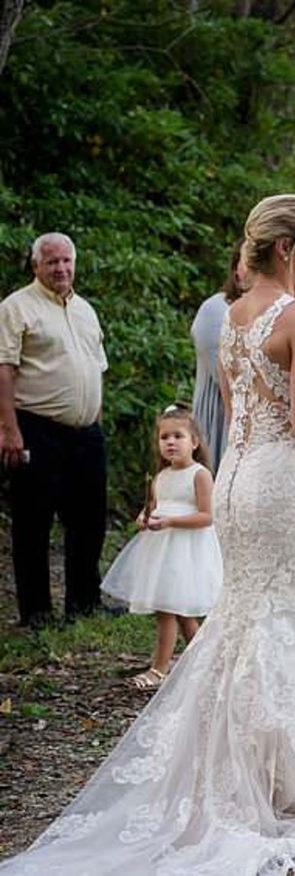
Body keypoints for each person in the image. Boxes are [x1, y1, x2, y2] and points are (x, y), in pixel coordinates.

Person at [0, 195, 295, 875]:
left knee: (248, 616)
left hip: (239, 480)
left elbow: (247, 403)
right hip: (284, 485)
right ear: (286, 248)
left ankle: (250, 770)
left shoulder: (233, 319)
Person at [0, 233, 108, 629]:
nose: (61, 269)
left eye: (66, 261)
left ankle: (84, 602)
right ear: (36, 266)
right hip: (35, 427)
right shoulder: (16, 308)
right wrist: (8, 429)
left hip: (85, 432)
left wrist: (96, 417)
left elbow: (97, 369)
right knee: (33, 522)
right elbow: (4, 369)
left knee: (89, 520)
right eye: (52, 263)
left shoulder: (85, 310)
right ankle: (37, 612)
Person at [101, 404, 223, 690]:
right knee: (178, 613)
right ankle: (209, 664)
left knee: (171, 610)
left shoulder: (200, 474)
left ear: (194, 442)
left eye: (178, 436)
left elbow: (207, 516)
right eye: (164, 437)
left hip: (187, 552)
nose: (170, 442)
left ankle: (159, 670)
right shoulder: (161, 477)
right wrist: (144, 518)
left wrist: (170, 522)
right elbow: (153, 508)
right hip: (161, 553)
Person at [191, 238, 247, 473]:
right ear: (236, 270)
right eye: (249, 261)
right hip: (221, 425)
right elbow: (239, 381)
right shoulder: (216, 310)